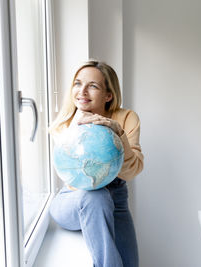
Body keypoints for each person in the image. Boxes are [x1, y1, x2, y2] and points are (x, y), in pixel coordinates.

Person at [49, 60, 144, 267]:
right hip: (73, 198)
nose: (82, 91)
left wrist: (118, 133)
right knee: (96, 196)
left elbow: (131, 172)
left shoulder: (126, 118)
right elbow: (72, 176)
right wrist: (75, 129)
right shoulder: (65, 122)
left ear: (108, 95)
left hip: (116, 199)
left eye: (92, 86)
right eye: (77, 83)